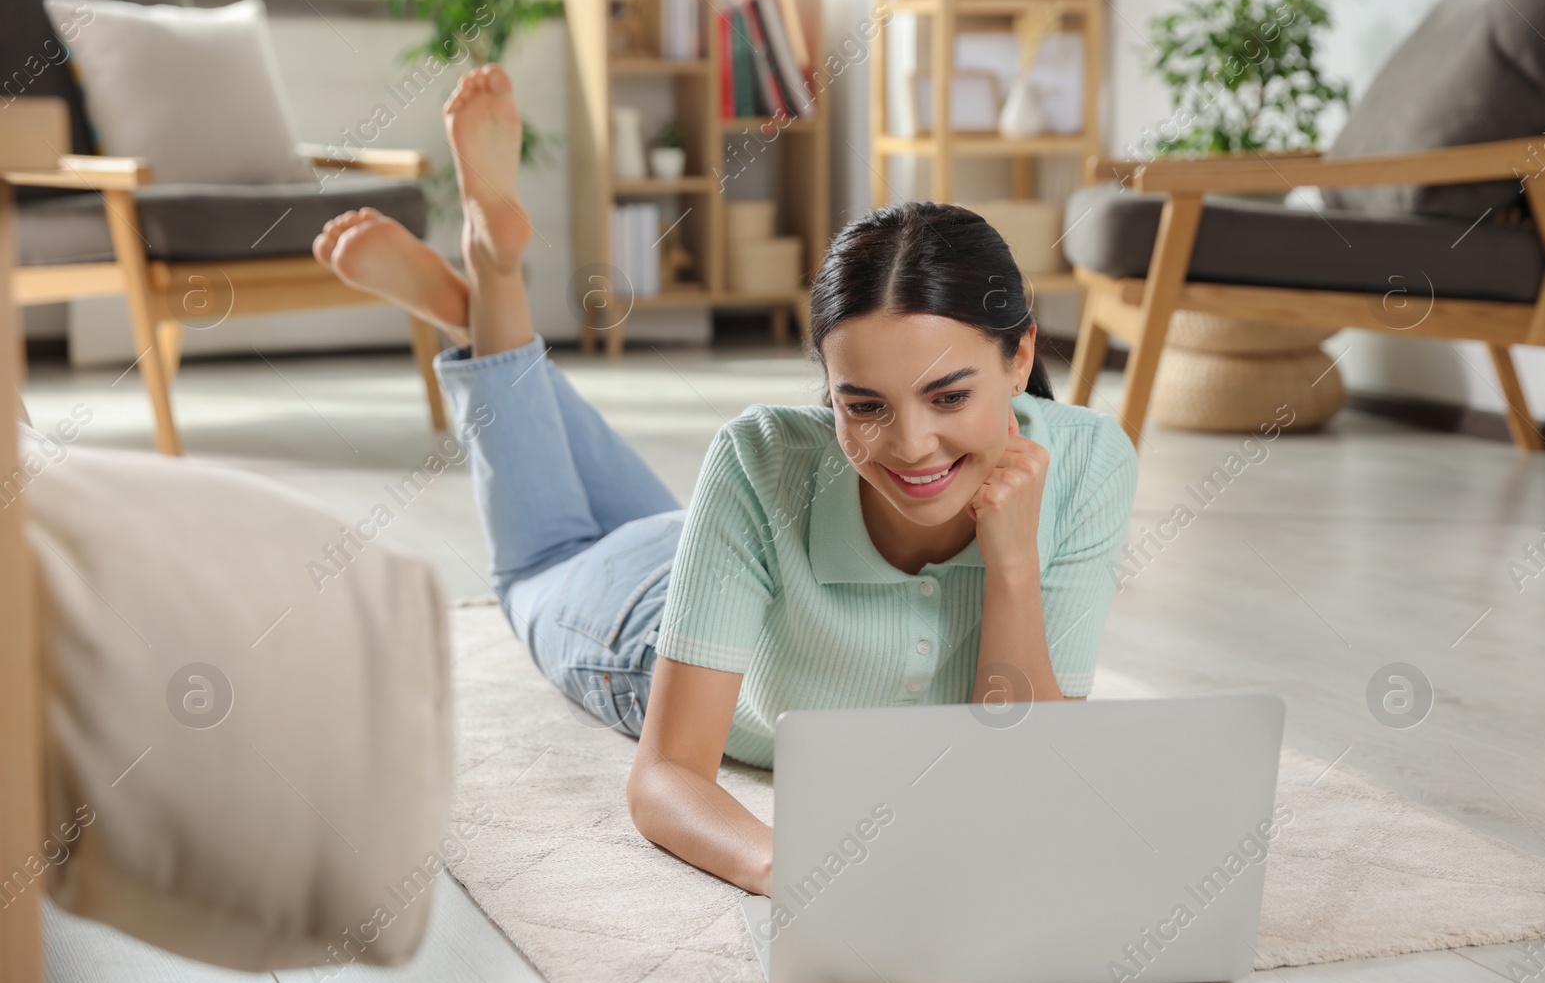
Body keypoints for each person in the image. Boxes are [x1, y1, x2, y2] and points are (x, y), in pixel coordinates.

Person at [312, 64, 1139, 898]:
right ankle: (493, 283)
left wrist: (1012, 566)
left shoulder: (1091, 460)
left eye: (949, 395)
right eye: (864, 404)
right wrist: (791, 867)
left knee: (615, 506)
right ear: (825, 384)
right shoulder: (761, 454)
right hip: (645, 630)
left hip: (727, 561)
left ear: (1022, 353)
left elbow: (1019, 767)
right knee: (541, 560)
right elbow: (666, 773)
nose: (913, 446)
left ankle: (482, 322)